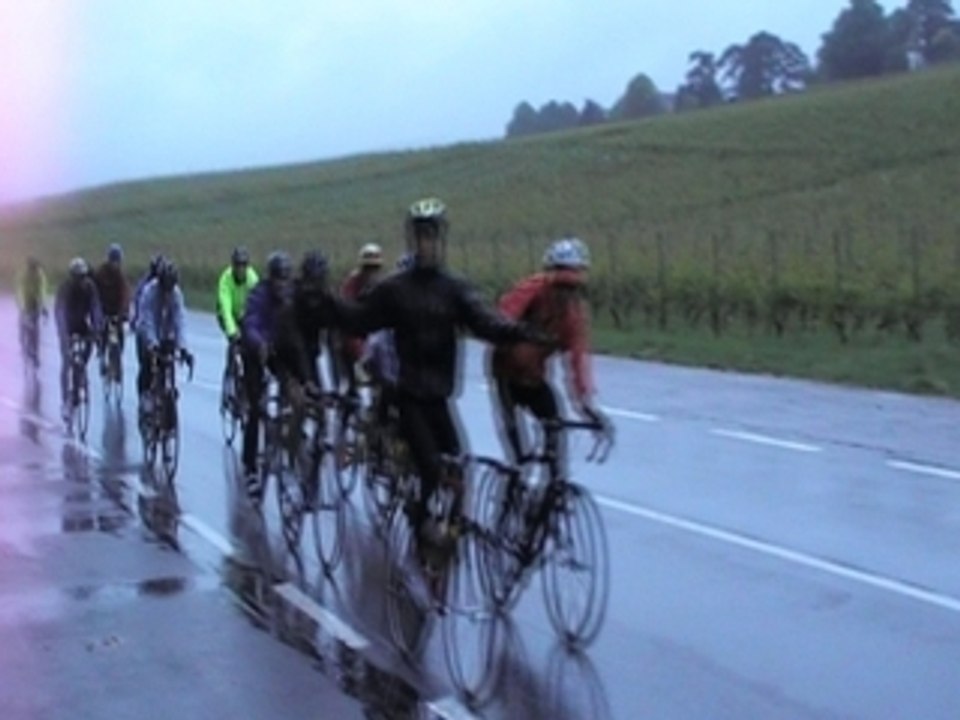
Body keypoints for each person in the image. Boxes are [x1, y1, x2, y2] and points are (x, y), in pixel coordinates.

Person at [324, 198, 551, 554]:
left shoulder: (455, 288)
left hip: (440, 398)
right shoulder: (395, 289)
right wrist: (328, 304)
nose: (426, 243)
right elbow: (359, 319)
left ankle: (452, 536)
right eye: (420, 236)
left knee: (459, 469)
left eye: (432, 236)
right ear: (412, 240)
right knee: (430, 470)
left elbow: (485, 321)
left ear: (440, 239)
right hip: (409, 396)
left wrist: (519, 332)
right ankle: (418, 535)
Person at [489, 237, 611, 476]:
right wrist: (519, 333)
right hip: (507, 371)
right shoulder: (531, 290)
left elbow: (578, 361)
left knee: (555, 426)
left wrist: (586, 406)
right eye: (561, 286)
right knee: (516, 441)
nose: (565, 294)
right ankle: (516, 478)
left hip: (534, 377)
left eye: (572, 288)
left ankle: (553, 488)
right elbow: (501, 319)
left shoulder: (574, 315)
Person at [239, 251, 316, 499]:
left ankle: (294, 445)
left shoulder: (294, 294)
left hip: (281, 350)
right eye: (278, 280)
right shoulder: (260, 295)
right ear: (270, 279)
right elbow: (251, 323)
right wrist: (259, 343)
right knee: (255, 406)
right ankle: (251, 467)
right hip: (257, 349)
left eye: (286, 279)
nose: (282, 284)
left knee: (298, 395)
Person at [136, 260, 191, 417]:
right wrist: (152, 344)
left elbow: (180, 320)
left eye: (171, 286)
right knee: (147, 364)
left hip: (166, 333)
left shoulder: (176, 294)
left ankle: (168, 390)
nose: (168, 290)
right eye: (165, 286)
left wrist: (183, 347)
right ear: (160, 282)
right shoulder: (150, 292)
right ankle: (145, 396)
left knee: (169, 361)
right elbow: (147, 320)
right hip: (146, 332)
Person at [54, 258, 102, 422]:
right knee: (67, 362)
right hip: (67, 325)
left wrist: (97, 330)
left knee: (85, 353)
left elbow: (96, 308)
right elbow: (60, 311)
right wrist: (64, 336)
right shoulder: (65, 289)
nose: (80, 280)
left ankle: (80, 371)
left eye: (82, 276)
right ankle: (65, 400)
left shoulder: (90, 287)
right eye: (77, 277)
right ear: (71, 276)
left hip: (81, 324)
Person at [337, 242, 384, 398]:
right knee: (350, 388)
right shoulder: (350, 285)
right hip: (349, 340)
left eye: (375, 269)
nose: (371, 273)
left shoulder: (384, 287)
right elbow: (346, 319)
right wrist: (360, 354)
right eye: (367, 269)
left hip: (372, 339)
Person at [93, 243, 131, 374]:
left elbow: (125, 294)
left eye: (117, 261)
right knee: (102, 331)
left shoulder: (121, 277)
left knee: (119, 332)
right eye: (113, 261)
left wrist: (124, 312)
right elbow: (94, 295)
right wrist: (97, 313)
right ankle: (102, 354)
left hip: (116, 310)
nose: (115, 264)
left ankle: (118, 356)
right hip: (103, 308)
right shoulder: (100, 273)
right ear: (108, 260)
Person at [15, 257, 49, 367]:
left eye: (35, 268)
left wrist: (43, 306)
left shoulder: (40, 275)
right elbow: (20, 291)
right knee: (23, 322)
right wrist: (22, 307)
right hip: (24, 299)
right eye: (32, 269)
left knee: (35, 328)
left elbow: (42, 291)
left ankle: (35, 353)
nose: (34, 270)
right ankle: (22, 341)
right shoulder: (23, 275)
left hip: (34, 301)